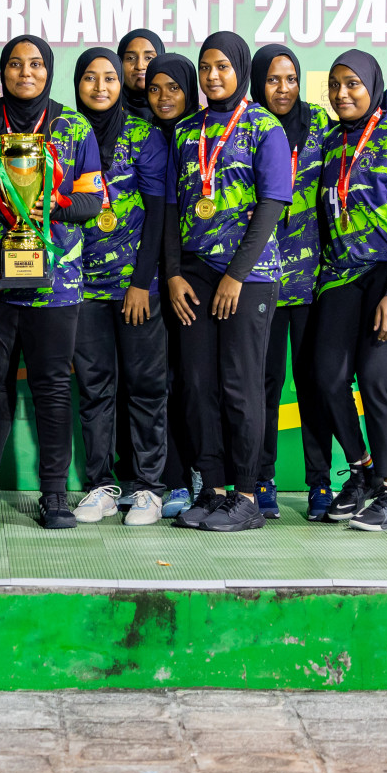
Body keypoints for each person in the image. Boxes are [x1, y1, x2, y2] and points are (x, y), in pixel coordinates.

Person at [0, 35, 103, 529]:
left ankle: (54, 495)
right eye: (15, 65)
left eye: (35, 64)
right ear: (2, 71)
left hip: (54, 283)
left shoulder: (73, 127)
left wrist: (54, 204)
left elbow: (92, 202)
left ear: (48, 69)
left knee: (54, 388)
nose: (25, 73)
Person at [166, 31, 291, 533]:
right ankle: (214, 490)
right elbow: (176, 207)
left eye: (223, 66)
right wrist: (173, 273)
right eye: (206, 67)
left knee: (241, 385)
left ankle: (247, 494)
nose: (213, 75)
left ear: (240, 69)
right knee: (197, 384)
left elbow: (271, 206)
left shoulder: (265, 127)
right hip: (194, 273)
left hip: (249, 277)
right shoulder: (185, 131)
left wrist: (236, 276)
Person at [313, 50, 387, 532]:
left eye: (354, 84)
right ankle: (362, 472)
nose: (344, 94)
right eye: (336, 85)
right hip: (344, 274)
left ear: (373, 86)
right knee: (326, 375)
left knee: (378, 375)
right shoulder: (330, 143)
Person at [68, 48, 169, 526]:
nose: (101, 86)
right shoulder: (63, 134)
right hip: (80, 287)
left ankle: (148, 486)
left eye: (109, 77)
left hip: (134, 285)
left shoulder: (144, 135)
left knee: (147, 386)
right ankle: (101, 484)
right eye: (90, 78)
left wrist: (142, 282)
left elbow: (157, 215)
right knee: (94, 388)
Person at [253, 44, 340, 522]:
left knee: (313, 384)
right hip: (260, 280)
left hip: (312, 281)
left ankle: (320, 485)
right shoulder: (243, 127)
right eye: (272, 79)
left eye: (290, 79)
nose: (282, 89)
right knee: (263, 384)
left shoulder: (323, 126)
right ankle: (261, 478)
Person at [144, 53, 203, 518]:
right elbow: (158, 217)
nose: (164, 98)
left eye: (174, 88)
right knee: (155, 382)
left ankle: (200, 472)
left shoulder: (205, 134)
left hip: (195, 277)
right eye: (155, 88)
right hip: (155, 276)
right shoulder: (140, 136)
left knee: (194, 381)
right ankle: (170, 478)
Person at [118, 28, 167, 119]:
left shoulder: (178, 109)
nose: (140, 66)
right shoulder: (107, 109)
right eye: (130, 58)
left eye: (149, 58)